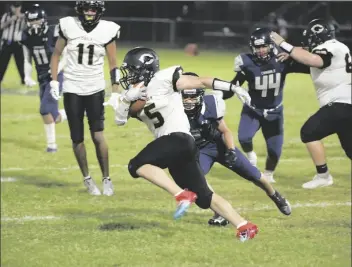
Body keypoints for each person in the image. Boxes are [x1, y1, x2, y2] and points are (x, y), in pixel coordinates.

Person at [107, 46, 260, 242]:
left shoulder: (163, 79)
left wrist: (233, 87)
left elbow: (201, 81)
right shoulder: (134, 94)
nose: (129, 75)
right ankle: (244, 226)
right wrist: (128, 99)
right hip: (178, 148)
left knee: (136, 165)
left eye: (133, 70)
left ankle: (181, 195)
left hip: (178, 138)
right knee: (204, 196)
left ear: (144, 69)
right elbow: (120, 120)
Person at [181, 72, 291, 226]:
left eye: (192, 97)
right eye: (185, 97)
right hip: (200, 151)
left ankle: (275, 196)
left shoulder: (212, 104)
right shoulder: (173, 110)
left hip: (219, 146)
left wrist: (231, 150)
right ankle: (219, 213)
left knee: (255, 176)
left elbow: (225, 131)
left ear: (200, 95)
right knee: (197, 180)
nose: (188, 101)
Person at [270, 19, 352, 189]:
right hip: (345, 105)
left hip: (339, 105)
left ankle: (323, 176)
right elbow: (310, 61)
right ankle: (323, 176)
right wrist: (291, 56)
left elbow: (316, 61)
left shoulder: (329, 49)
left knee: (309, 132)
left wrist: (284, 45)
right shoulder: (338, 48)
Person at [50, 0, 120, 196]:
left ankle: (107, 179)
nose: (90, 13)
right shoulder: (68, 25)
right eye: (87, 9)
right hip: (72, 87)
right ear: (80, 10)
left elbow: (113, 63)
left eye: (94, 9)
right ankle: (88, 179)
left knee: (98, 135)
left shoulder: (108, 29)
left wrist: (115, 91)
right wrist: (54, 81)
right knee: (77, 137)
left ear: (99, 11)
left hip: (95, 87)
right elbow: (56, 54)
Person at [223, 28, 309, 183]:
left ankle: (269, 174)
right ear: (252, 48)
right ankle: (251, 156)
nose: (261, 50)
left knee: (274, 151)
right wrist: (217, 93)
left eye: (264, 46)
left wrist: (293, 55)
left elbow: (309, 65)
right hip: (253, 110)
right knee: (244, 138)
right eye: (257, 47)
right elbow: (232, 87)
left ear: (271, 45)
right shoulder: (247, 63)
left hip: (274, 112)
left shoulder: (282, 60)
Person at [22, 4, 67, 152]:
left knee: (44, 109)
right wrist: (27, 76)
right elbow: (27, 58)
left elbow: (66, 55)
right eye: (31, 22)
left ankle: (51, 146)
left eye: (36, 21)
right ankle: (77, 112)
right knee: (53, 115)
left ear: (43, 20)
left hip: (56, 75)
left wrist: (55, 71)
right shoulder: (27, 36)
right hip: (41, 76)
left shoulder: (54, 32)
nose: (33, 25)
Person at [0, 1, 36, 88]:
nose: (16, 9)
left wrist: (24, 19)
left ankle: (25, 80)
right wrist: (11, 20)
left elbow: (29, 27)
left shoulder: (24, 17)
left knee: (21, 63)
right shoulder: (7, 16)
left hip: (18, 44)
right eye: (14, 7)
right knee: (2, 64)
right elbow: (1, 26)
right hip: (7, 43)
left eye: (18, 7)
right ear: (11, 7)